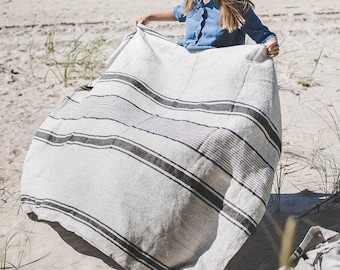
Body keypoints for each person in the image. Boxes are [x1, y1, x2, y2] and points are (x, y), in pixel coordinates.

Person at [134, 0, 279, 58]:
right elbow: (178, 12)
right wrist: (149, 17)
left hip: (215, 66)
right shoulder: (193, 2)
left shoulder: (236, 7)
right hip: (186, 58)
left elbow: (264, 36)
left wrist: (271, 43)